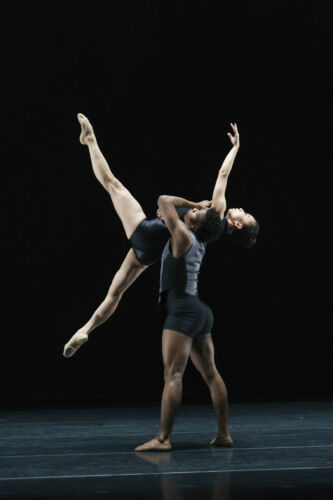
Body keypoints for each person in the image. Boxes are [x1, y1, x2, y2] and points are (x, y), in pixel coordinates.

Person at [63, 116, 259, 358]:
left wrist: (235, 148)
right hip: (150, 252)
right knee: (115, 293)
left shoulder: (217, 211)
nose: (242, 209)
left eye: (245, 214)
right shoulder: (212, 233)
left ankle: (90, 140)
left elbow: (222, 174)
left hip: (147, 230)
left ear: (238, 225)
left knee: (113, 184)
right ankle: (86, 328)